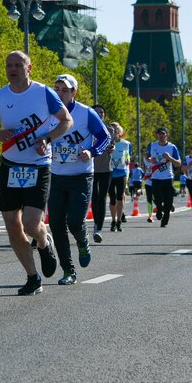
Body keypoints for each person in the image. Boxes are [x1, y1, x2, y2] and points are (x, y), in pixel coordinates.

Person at [0, 51, 71, 296]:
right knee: (12, 225)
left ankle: (43, 241)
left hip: (38, 165)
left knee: (31, 223)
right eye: (9, 65)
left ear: (29, 68)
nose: (13, 69)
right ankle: (32, 276)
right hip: (10, 166)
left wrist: (47, 138)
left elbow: (66, 120)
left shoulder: (43, 92)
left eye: (18, 65)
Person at [47, 74, 108, 285]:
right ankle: (68, 270)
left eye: (65, 90)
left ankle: (83, 241)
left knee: (74, 221)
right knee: (55, 224)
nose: (60, 93)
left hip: (81, 175)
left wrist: (91, 151)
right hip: (55, 175)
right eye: (57, 89)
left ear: (74, 92)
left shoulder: (86, 113)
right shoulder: (48, 112)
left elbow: (105, 137)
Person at [88, 105, 114, 242]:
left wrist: (112, 148)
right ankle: (95, 224)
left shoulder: (110, 129)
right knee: (94, 197)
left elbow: (111, 144)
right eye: (97, 112)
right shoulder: (87, 127)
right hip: (91, 168)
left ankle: (98, 228)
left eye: (102, 112)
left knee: (102, 197)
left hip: (106, 168)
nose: (100, 114)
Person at [146, 127, 181, 226]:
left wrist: (169, 158)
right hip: (156, 177)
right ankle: (159, 209)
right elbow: (147, 156)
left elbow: (178, 163)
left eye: (162, 134)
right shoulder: (152, 145)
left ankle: (165, 219)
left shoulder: (172, 147)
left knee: (168, 201)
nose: (161, 136)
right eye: (159, 134)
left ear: (166, 135)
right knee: (157, 199)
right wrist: (150, 160)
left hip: (168, 177)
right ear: (157, 135)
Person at [108, 122, 130, 233]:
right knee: (112, 198)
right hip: (110, 173)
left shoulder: (125, 144)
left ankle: (119, 221)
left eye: (117, 130)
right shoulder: (106, 143)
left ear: (120, 132)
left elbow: (127, 155)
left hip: (121, 173)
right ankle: (113, 220)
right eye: (112, 130)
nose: (115, 132)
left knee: (120, 197)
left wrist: (127, 160)